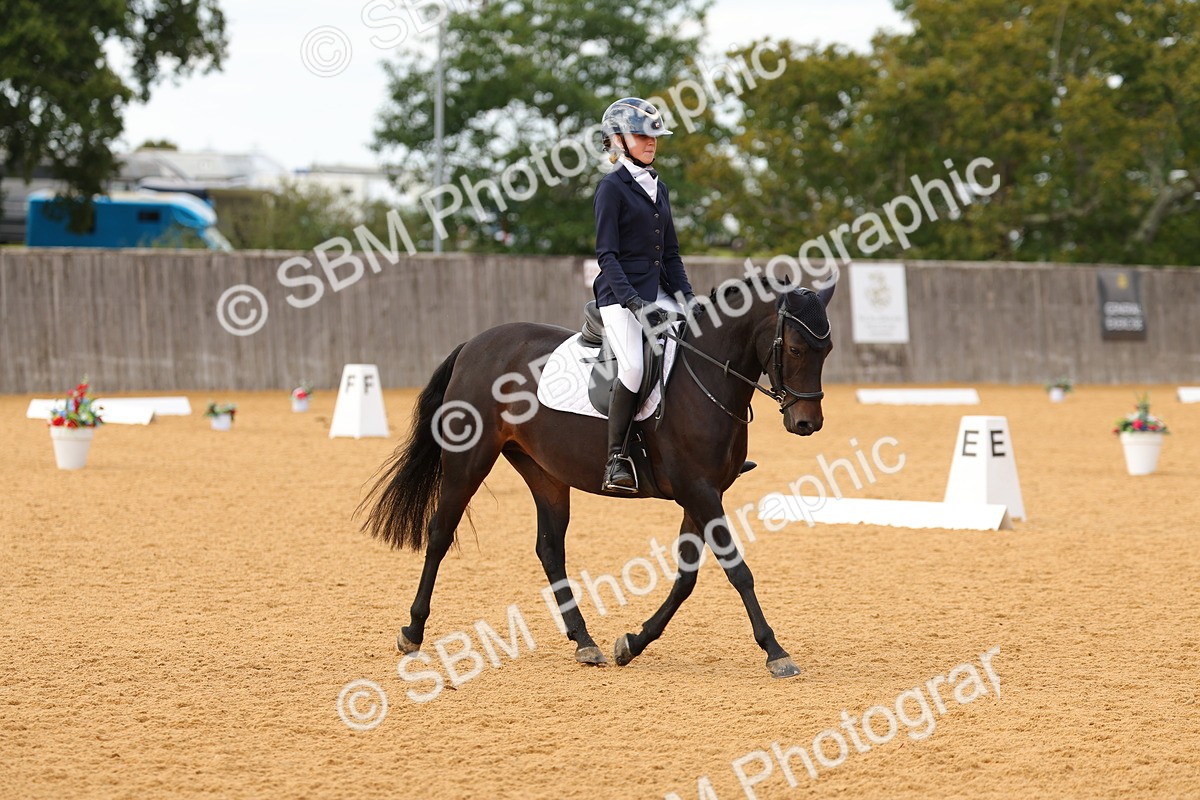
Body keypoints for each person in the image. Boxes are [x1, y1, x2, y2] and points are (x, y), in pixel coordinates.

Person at [593, 97, 697, 494]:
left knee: (698, 347)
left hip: (660, 292)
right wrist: (635, 304)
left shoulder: (660, 188)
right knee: (634, 368)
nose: (651, 142)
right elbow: (607, 256)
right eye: (642, 136)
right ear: (618, 140)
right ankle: (615, 459)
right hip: (620, 296)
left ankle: (703, 448)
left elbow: (670, 255)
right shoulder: (611, 188)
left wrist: (687, 298)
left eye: (654, 136)